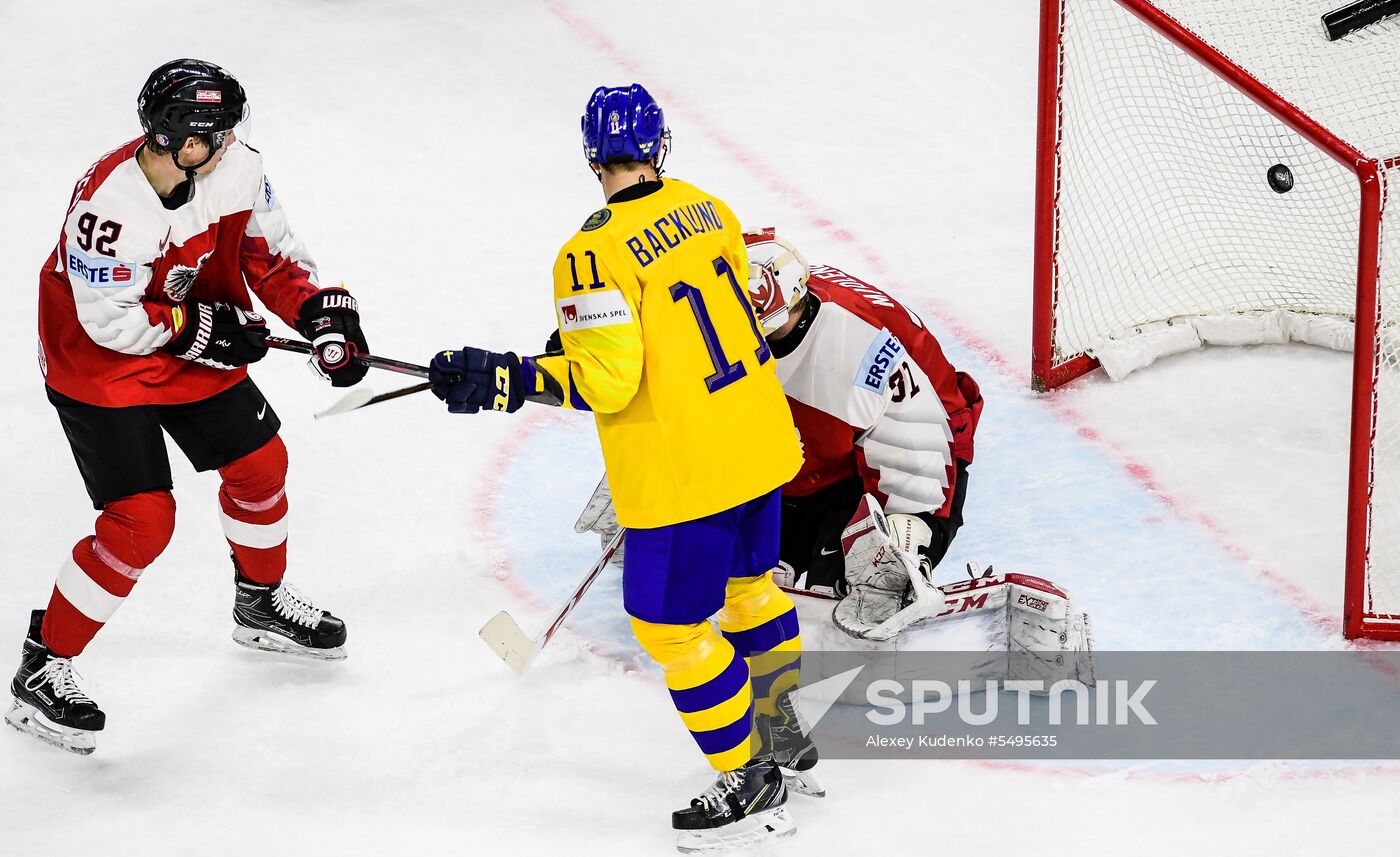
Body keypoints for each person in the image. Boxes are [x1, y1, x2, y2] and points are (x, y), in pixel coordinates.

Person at [428, 84, 809, 851]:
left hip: (685, 472)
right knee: (751, 588)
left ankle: (751, 779)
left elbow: (607, 381)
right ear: (660, 146)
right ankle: (782, 734)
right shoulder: (710, 207)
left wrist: (511, 376)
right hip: (761, 440)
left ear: (591, 156)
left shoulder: (588, 252)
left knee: (670, 626)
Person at [7, 59, 368, 756]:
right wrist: (207, 330)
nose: (234, 142)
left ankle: (259, 601)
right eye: (219, 134)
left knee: (262, 465)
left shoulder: (237, 168)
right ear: (184, 141)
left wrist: (320, 314)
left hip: (185, 335)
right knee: (140, 522)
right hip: (100, 363)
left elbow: (271, 255)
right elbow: (109, 321)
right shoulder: (109, 208)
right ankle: (42, 666)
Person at [740, 228, 984, 639]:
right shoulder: (768, 290)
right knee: (749, 560)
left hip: (924, 441)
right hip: (821, 442)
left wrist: (904, 541)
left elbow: (918, 444)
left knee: (852, 582)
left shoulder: (853, 348)